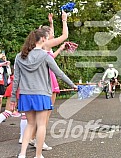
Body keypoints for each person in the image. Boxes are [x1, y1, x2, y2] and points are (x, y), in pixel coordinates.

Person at [11, 28, 77, 158]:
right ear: (42, 39)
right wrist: (72, 85)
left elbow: (16, 79)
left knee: (30, 124)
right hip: (41, 94)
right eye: (46, 38)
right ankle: (38, 154)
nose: (48, 40)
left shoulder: (20, 56)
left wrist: (13, 97)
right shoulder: (45, 55)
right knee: (41, 125)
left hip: (25, 95)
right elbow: (59, 73)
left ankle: (22, 154)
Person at [28, 11, 68, 150]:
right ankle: (40, 141)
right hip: (48, 80)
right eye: (51, 33)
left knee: (37, 115)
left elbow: (51, 59)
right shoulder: (46, 45)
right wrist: (64, 20)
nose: (53, 36)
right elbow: (64, 36)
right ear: (45, 36)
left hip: (40, 80)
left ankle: (33, 138)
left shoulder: (40, 46)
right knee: (45, 115)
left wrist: (51, 23)